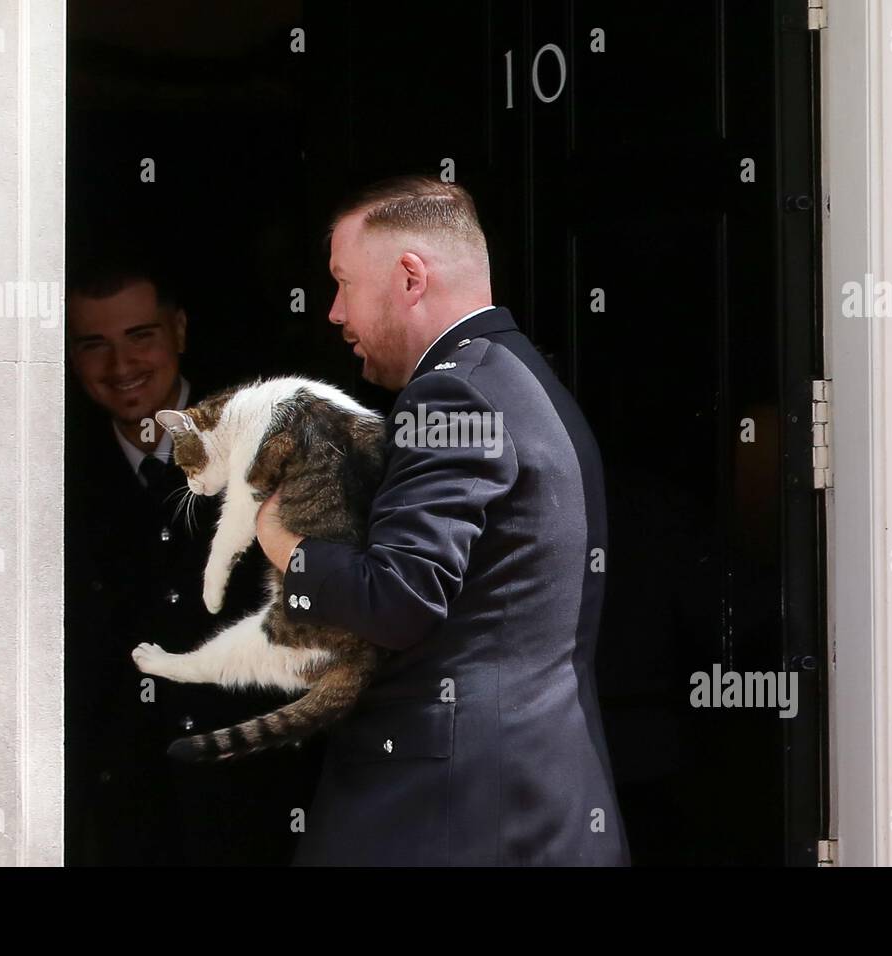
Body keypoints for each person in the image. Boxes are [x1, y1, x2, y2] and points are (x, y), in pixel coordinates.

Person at [254, 175, 632, 865]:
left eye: (342, 282)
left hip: (449, 811)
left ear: (408, 278)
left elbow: (399, 596)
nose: (334, 312)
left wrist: (283, 541)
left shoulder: (452, 392)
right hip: (526, 797)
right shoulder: (510, 374)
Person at [63, 262, 323, 865]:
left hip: (257, 799)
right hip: (117, 814)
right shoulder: (52, 467)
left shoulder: (264, 442)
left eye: (140, 337)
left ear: (178, 330)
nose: (120, 366)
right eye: (94, 345)